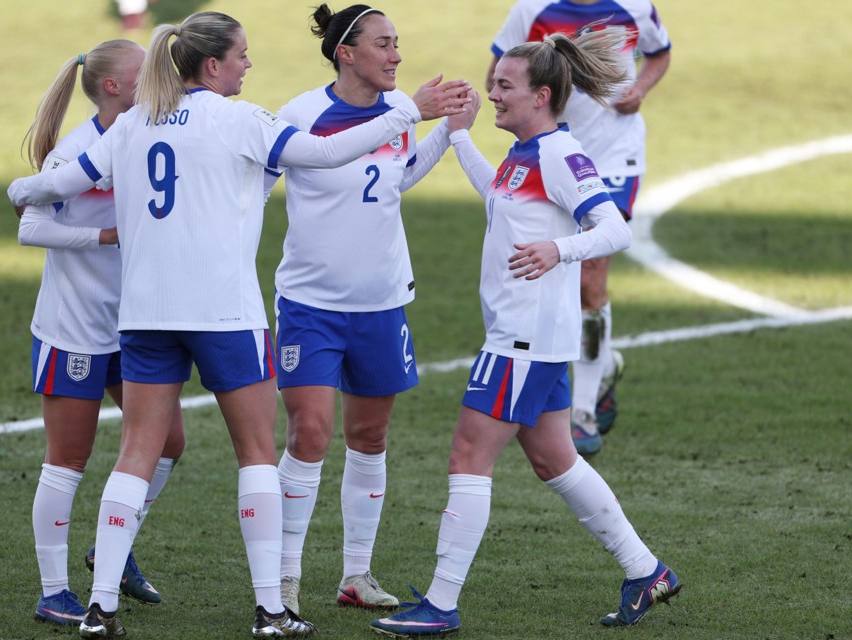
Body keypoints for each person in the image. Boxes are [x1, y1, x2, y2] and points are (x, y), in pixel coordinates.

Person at [7, 11, 472, 638]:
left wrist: (21, 188)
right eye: (243, 56)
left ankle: (100, 609)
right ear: (213, 65)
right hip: (225, 314)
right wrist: (408, 113)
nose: (250, 65)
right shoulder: (244, 121)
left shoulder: (132, 123)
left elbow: (56, 184)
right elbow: (328, 151)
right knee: (255, 453)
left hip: (144, 317)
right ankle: (272, 610)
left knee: (134, 453)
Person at [371, 30, 680, 637]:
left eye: (503, 87)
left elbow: (614, 228)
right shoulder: (526, 153)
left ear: (541, 96)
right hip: (533, 337)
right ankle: (646, 570)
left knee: (468, 454)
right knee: (555, 460)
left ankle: (440, 603)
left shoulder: (560, 155)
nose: (492, 94)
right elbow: (500, 196)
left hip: (522, 339)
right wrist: (458, 135)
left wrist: (558, 250)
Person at [264, 3, 458, 615]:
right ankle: (285, 579)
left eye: (397, 43)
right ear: (347, 53)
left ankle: (357, 575)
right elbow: (275, 170)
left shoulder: (396, 115)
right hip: (311, 306)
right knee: (311, 432)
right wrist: (413, 113)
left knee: (369, 436)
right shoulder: (301, 114)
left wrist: (447, 131)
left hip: (381, 304)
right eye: (384, 44)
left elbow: (394, 178)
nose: (397, 55)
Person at [17, 39, 186, 627]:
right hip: (76, 328)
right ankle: (54, 590)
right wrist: (104, 240)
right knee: (69, 458)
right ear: (113, 87)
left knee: (169, 444)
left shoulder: (150, 135)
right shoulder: (76, 152)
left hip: (136, 324)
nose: (160, 78)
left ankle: (109, 548)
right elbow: (30, 226)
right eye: (146, 72)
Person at [488, 0, 672, 455]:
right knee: (560, 279)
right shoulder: (532, 10)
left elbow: (660, 52)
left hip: (612, 157)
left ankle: (583, 411)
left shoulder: (633, 7)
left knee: (591, 274)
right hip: (554, 150)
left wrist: (641, 89)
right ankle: (601, 362)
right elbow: (500, 67)